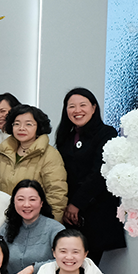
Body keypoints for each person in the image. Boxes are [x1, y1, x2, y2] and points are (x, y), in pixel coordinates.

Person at [54, 88, 126, 263]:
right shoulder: (65, 137)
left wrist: (76, 204)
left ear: (94, 108)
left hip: (96, 212)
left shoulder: (106, 133)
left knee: (87, 266)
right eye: (71, 106)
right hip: (70, 215)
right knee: (69, 263)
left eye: (83, 105)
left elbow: (99, 173)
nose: (77, 110)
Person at [0, 104, 68, 213]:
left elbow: (57, 194)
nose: (21, 128)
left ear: (38, 127)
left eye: (28, 124)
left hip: (35, 218)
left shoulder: (49, 155)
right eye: (17, 124)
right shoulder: (5, 151)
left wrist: (50, 221)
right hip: (3, 215)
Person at [0, 179, 65, 274]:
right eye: (20, 199)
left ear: (41, 202)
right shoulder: (7, 227)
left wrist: (33, 268)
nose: (26, 204)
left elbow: (66, 260)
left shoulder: (56, 229)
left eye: (32, 199)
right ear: (14, 202)